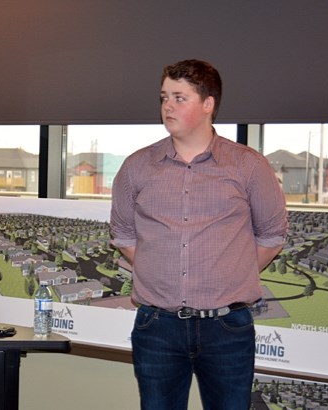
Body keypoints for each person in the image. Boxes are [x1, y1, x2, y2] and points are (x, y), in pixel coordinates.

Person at [110, 59, 288, 410]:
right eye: (164, 97)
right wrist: (159, 270)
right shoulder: (136, 166)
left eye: (179, 97)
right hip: (156, 325)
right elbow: (124, 234)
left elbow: (271, 235)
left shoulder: (248, 165)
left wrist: (228, 274)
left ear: (208, 104)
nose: (167, 106)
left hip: (228, 327)